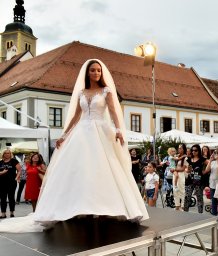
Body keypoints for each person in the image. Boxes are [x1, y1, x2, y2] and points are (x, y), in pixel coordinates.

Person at [0, 59, 149, 233]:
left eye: (98, 71)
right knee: (79, 169)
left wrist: (118, 130)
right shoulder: (81, 92)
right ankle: (80, 208)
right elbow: (76, 116)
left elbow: (114, 112)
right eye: (93, 70)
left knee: (104, 169)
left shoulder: (106, 91)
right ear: (87, 73)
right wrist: (63, 135)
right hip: (82, 132)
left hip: (101, 131)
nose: (96, 73)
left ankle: (104, 208)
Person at [204, 148, 218, 225]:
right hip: (212, 183)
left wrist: (217, 160)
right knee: (213, 200)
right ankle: (214, 216)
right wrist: (210, 160)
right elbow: (206, 170)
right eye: (216, 153)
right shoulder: (212, 162)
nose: (217, 155)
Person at [184, 144, 207, 213]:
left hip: (199, 182)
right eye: (192, 150)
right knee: (187, 197)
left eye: (195, 150)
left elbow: (209, 165)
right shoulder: (189, 159)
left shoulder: (202, 159)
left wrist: (204, 171)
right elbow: (185, 169)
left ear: (199, 151)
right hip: (189, 181)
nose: (193, 152)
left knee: (199, 198)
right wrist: (187, 170)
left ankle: (200, 214)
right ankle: (185, 213)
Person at [0, 149, 21, 218]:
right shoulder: (0, 162)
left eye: (8, 153)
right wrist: (2, 172)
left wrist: (16, 177)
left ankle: (12, 213)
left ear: (10, 154)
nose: (7, 154)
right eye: (5, 153)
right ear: (3, 154)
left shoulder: (14, 161)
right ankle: (3, 213)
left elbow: (19, 170)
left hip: (12, 182)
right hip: (2, 183)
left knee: (11, 197)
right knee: (3, 198)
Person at [173, 144, 187, 211]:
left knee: (182, 190)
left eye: (181, 148)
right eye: (179, 148)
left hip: (181, 175)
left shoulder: (185, 158)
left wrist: (174, 170)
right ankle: (177, 206)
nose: (179, 149)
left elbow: (182, 169)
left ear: (184, 149)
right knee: (175, 190)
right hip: (175, 174)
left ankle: (182, 206)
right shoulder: (177, 156)